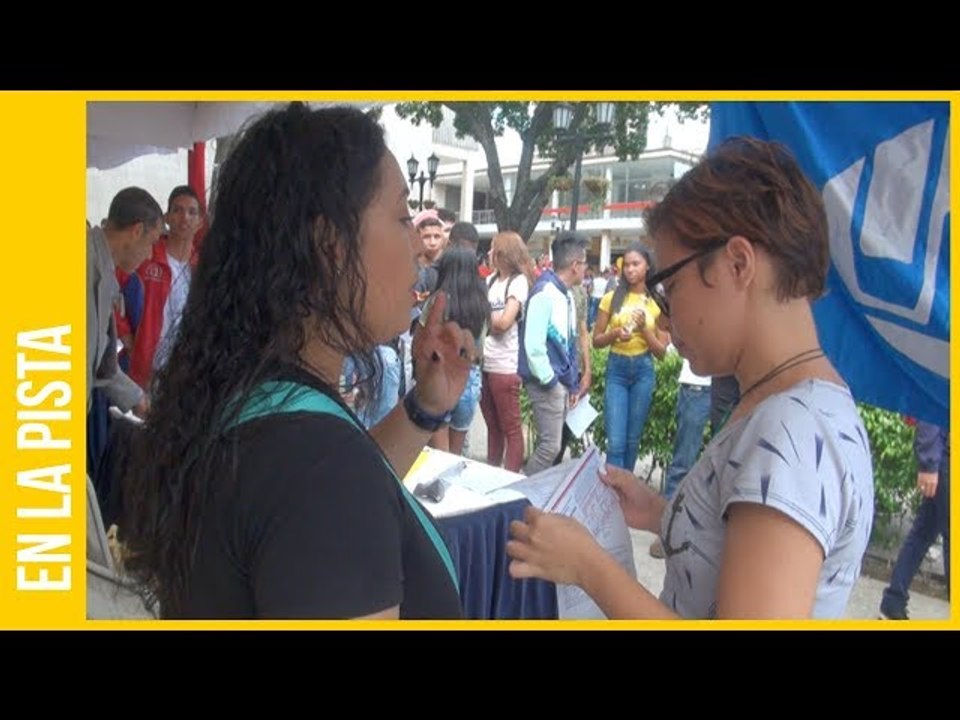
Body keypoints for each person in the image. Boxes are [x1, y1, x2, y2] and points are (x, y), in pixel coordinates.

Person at [121, 103, 475, 620]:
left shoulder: (266, 407)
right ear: (329, 244)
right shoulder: (320, 468)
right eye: (402, 217)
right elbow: (329, 486)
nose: (420, 252)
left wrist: (424, 407)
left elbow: (324, 487)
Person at [507, 137, 875, 619]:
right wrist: (665, 514)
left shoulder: (790, 431)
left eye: (671, 285)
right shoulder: (789, 405)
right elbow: (742, 541)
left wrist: (587, 566)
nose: (666, 311)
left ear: (738, 264)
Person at [592, 242, 669, 472]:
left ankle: (625, 497)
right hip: (617, 368)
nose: (630, 269)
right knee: (615, 442)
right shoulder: (612, 298)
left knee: (632, 441)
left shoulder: (657, 301)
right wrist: (616, 334)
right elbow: (596, 341)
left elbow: (662, 352)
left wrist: (645, 330)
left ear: (647, 266)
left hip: (643, 369)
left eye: (636, 264)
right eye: (626, 265)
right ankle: (610, 499)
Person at [518, 231, 588, 476]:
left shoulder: (564, 294)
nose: (586, 269)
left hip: (561, 382)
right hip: (547, 383)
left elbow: (567, 342)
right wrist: (551, 382)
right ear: (575, 265)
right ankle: (519, 496)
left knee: (554, 447)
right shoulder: (545, 293)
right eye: (585, 263)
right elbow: (534, 345)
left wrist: (571, 384)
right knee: (550, 447)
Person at [127, 185, 204, 390]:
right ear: (167, 218)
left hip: (188, 373)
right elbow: (112, 292)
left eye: (192, 212)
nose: (184, 217)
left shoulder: (204, 268)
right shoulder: (146, 256)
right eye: (177, 210)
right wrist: (128, 339)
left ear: (200, 223)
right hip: (146, 373)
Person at [421, 247, 490, 456]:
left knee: (440, 455)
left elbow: (423, 339)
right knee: (456, 455)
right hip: (469, 378)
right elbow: (479, 349)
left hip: (439, 376)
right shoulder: (481, 305)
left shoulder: (436, 302)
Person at [879, 420, 950, 619]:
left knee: (925, 529)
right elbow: (931, 405)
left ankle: (893, 601)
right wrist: (929, 463)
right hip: (946, 455)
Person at [479, 231, 535, 472]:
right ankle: (492, 472)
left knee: (511, 428)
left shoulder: (518, 282)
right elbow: (496, 320)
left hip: (505, 365)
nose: (489, 253)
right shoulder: (490, 281)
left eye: (493, 249)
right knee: (493, 425)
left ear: (503, 254)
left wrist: (487, 318)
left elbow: (504, 323)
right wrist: (493, 318)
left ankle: (509, 478)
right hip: (485, 362)